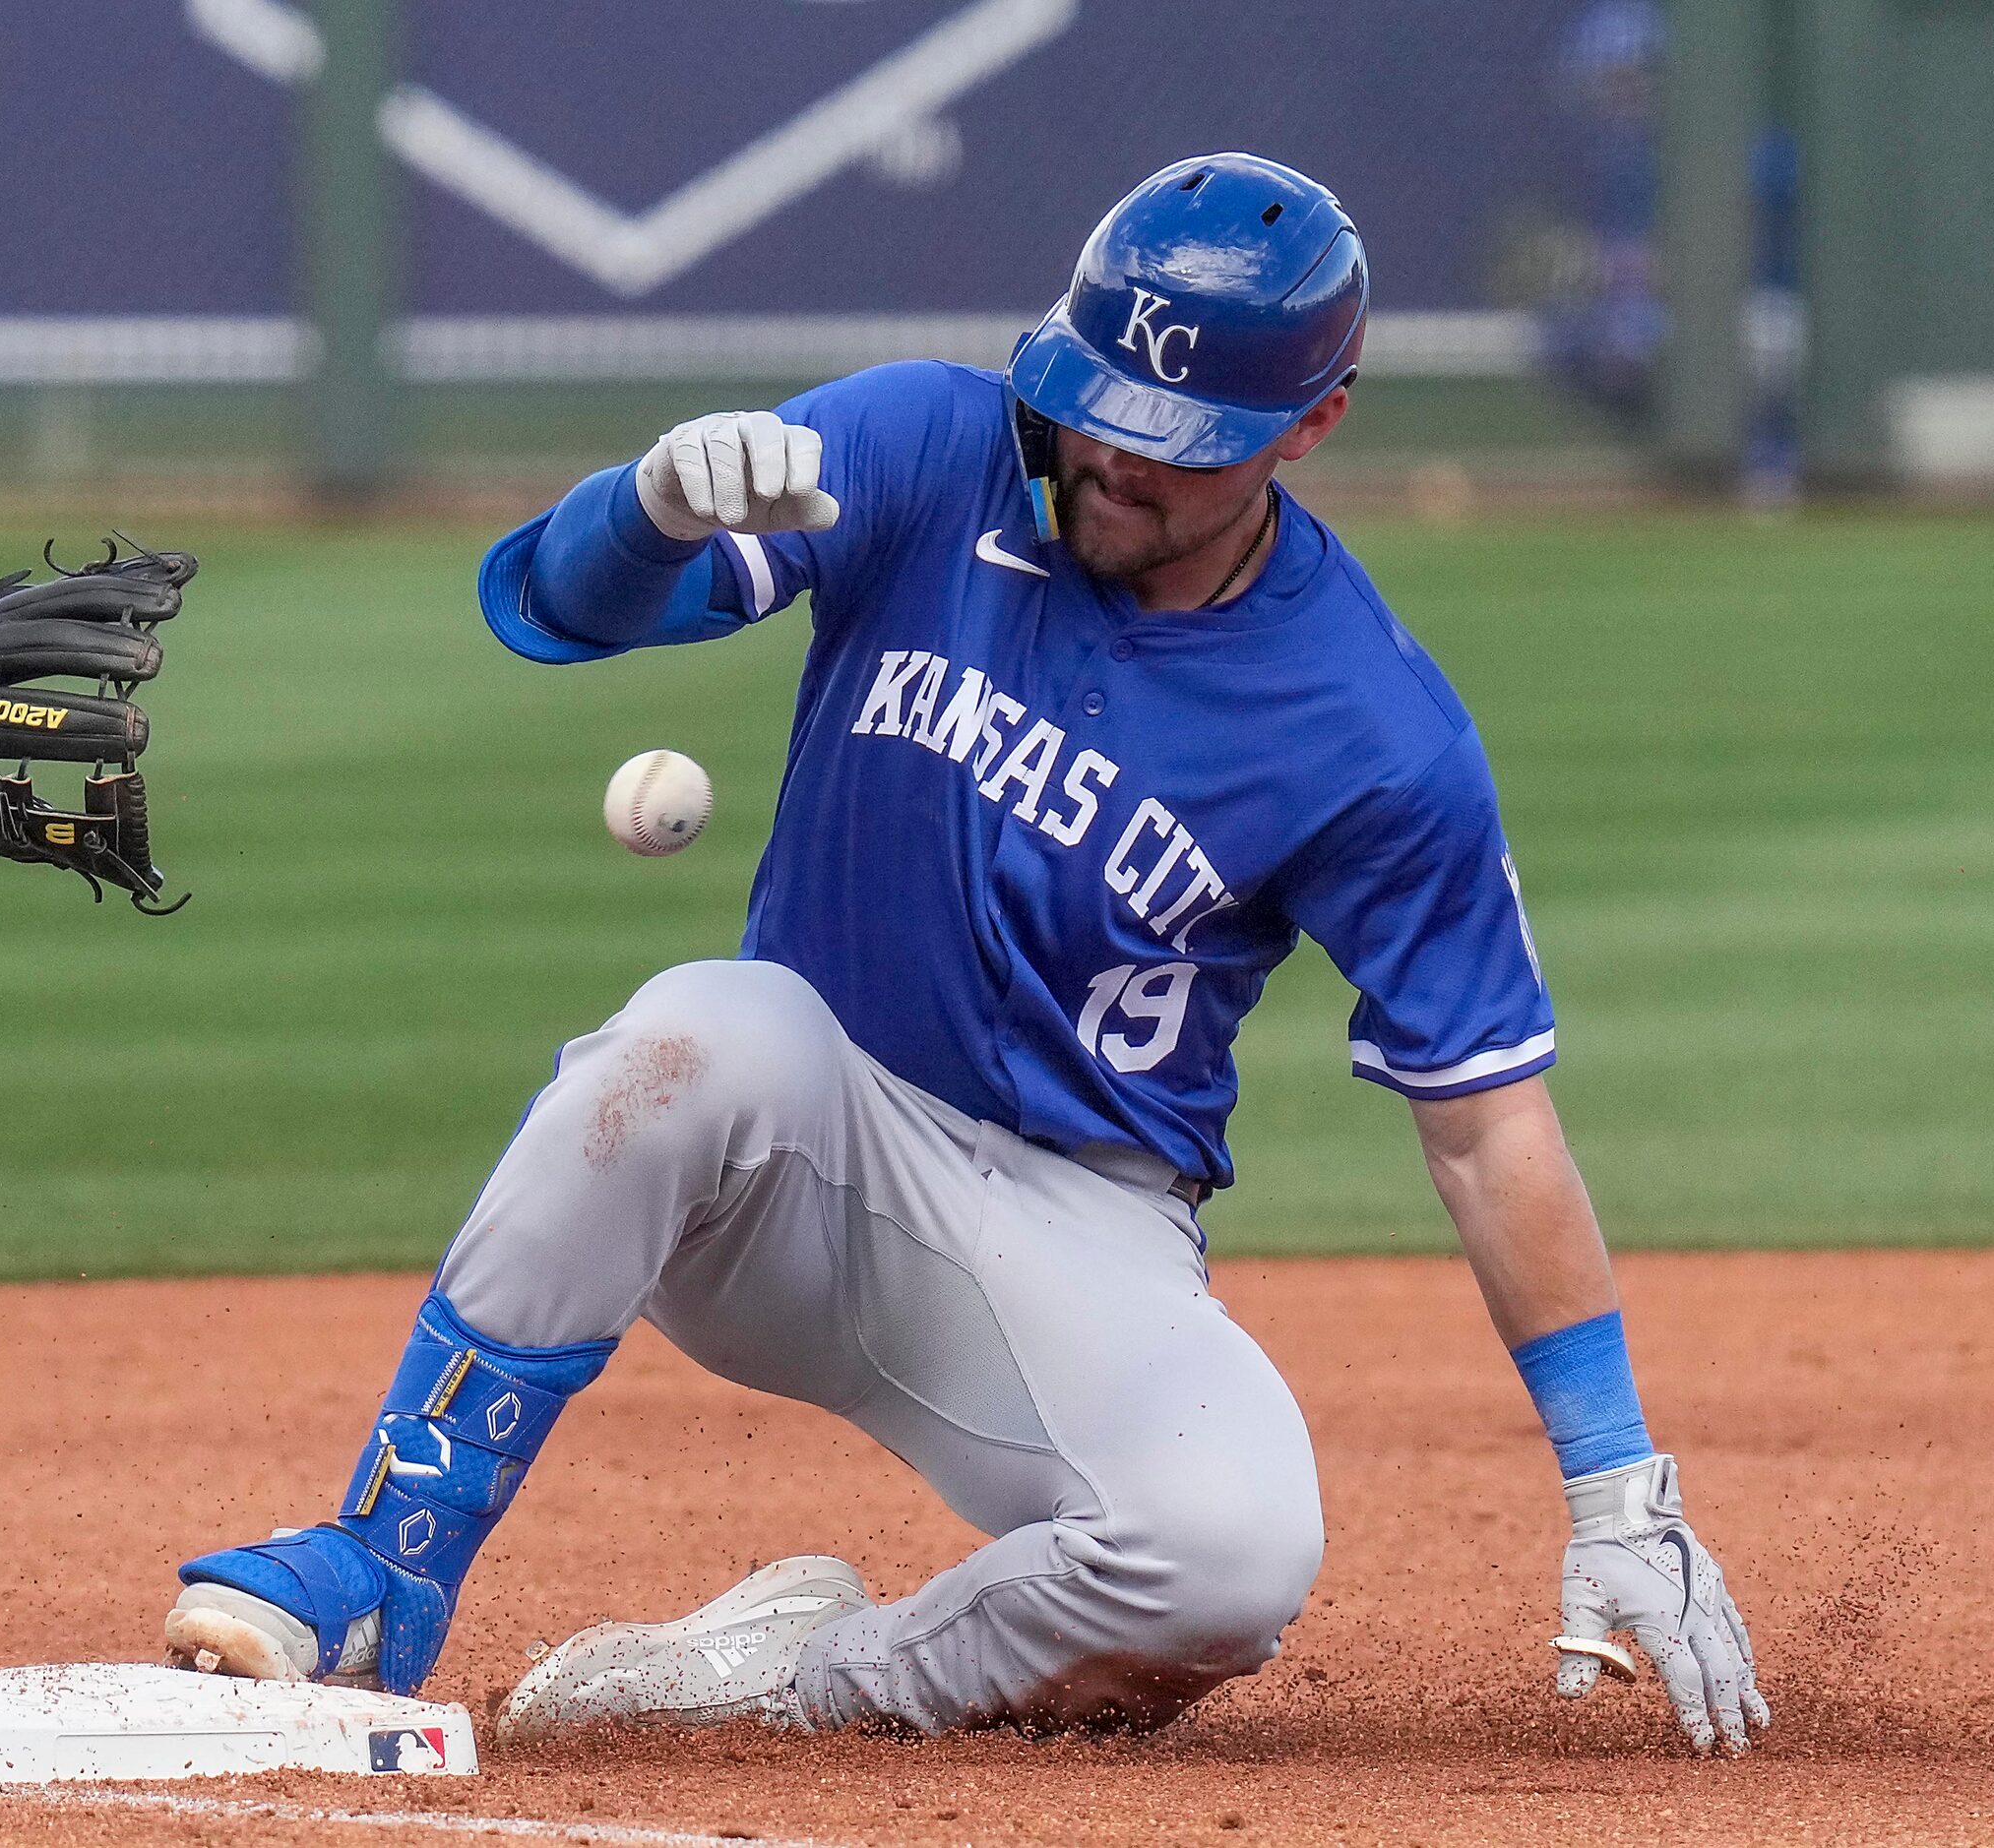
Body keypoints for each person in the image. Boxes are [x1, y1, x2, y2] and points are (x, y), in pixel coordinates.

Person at [165, 154, 1768, 1755]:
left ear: (1314, 423)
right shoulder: (930, 446)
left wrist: (1615, 1484)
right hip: (789, 1151)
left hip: (1079, 1227)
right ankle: (378, 1565)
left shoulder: (1372, 733)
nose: (1111, 467)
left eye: (1173, 448)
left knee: (1226, 1564)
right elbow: (553, 609)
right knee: (692, 1037)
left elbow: (1486, 1123)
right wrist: (644, 511)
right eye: (1095, 410)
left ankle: (802, 1678)